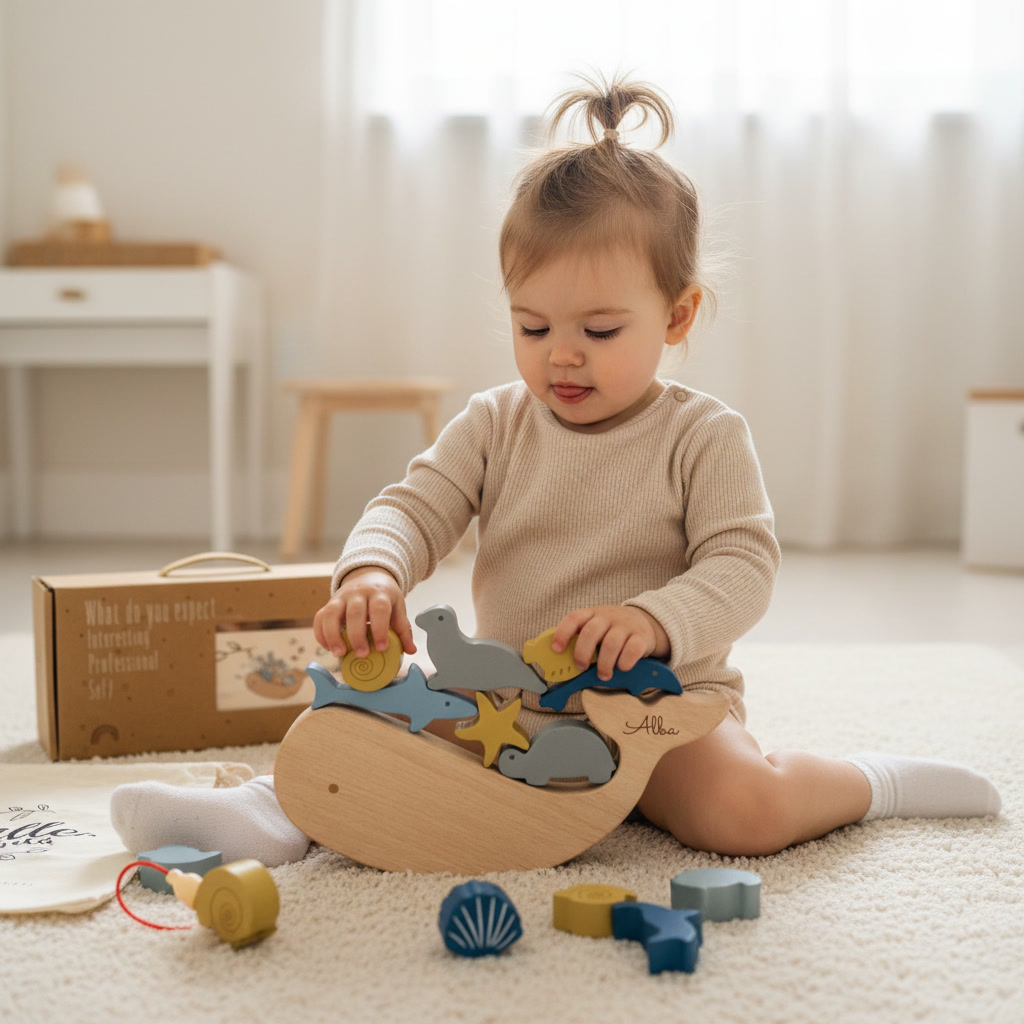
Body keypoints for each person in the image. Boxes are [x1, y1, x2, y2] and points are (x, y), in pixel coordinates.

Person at [111, 73, 1000, 867]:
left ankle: (867, 782)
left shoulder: (705, 436)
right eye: (532, 327)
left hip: (658, 711)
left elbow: (743, 569)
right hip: (504, 700)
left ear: (678, 315)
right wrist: (373, 571)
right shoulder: (497, 421)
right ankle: (266, 810)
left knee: (740, 811)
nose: (561, 358)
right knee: (352, 735)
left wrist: (655, 622)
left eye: (599, 332)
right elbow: (413, 506)